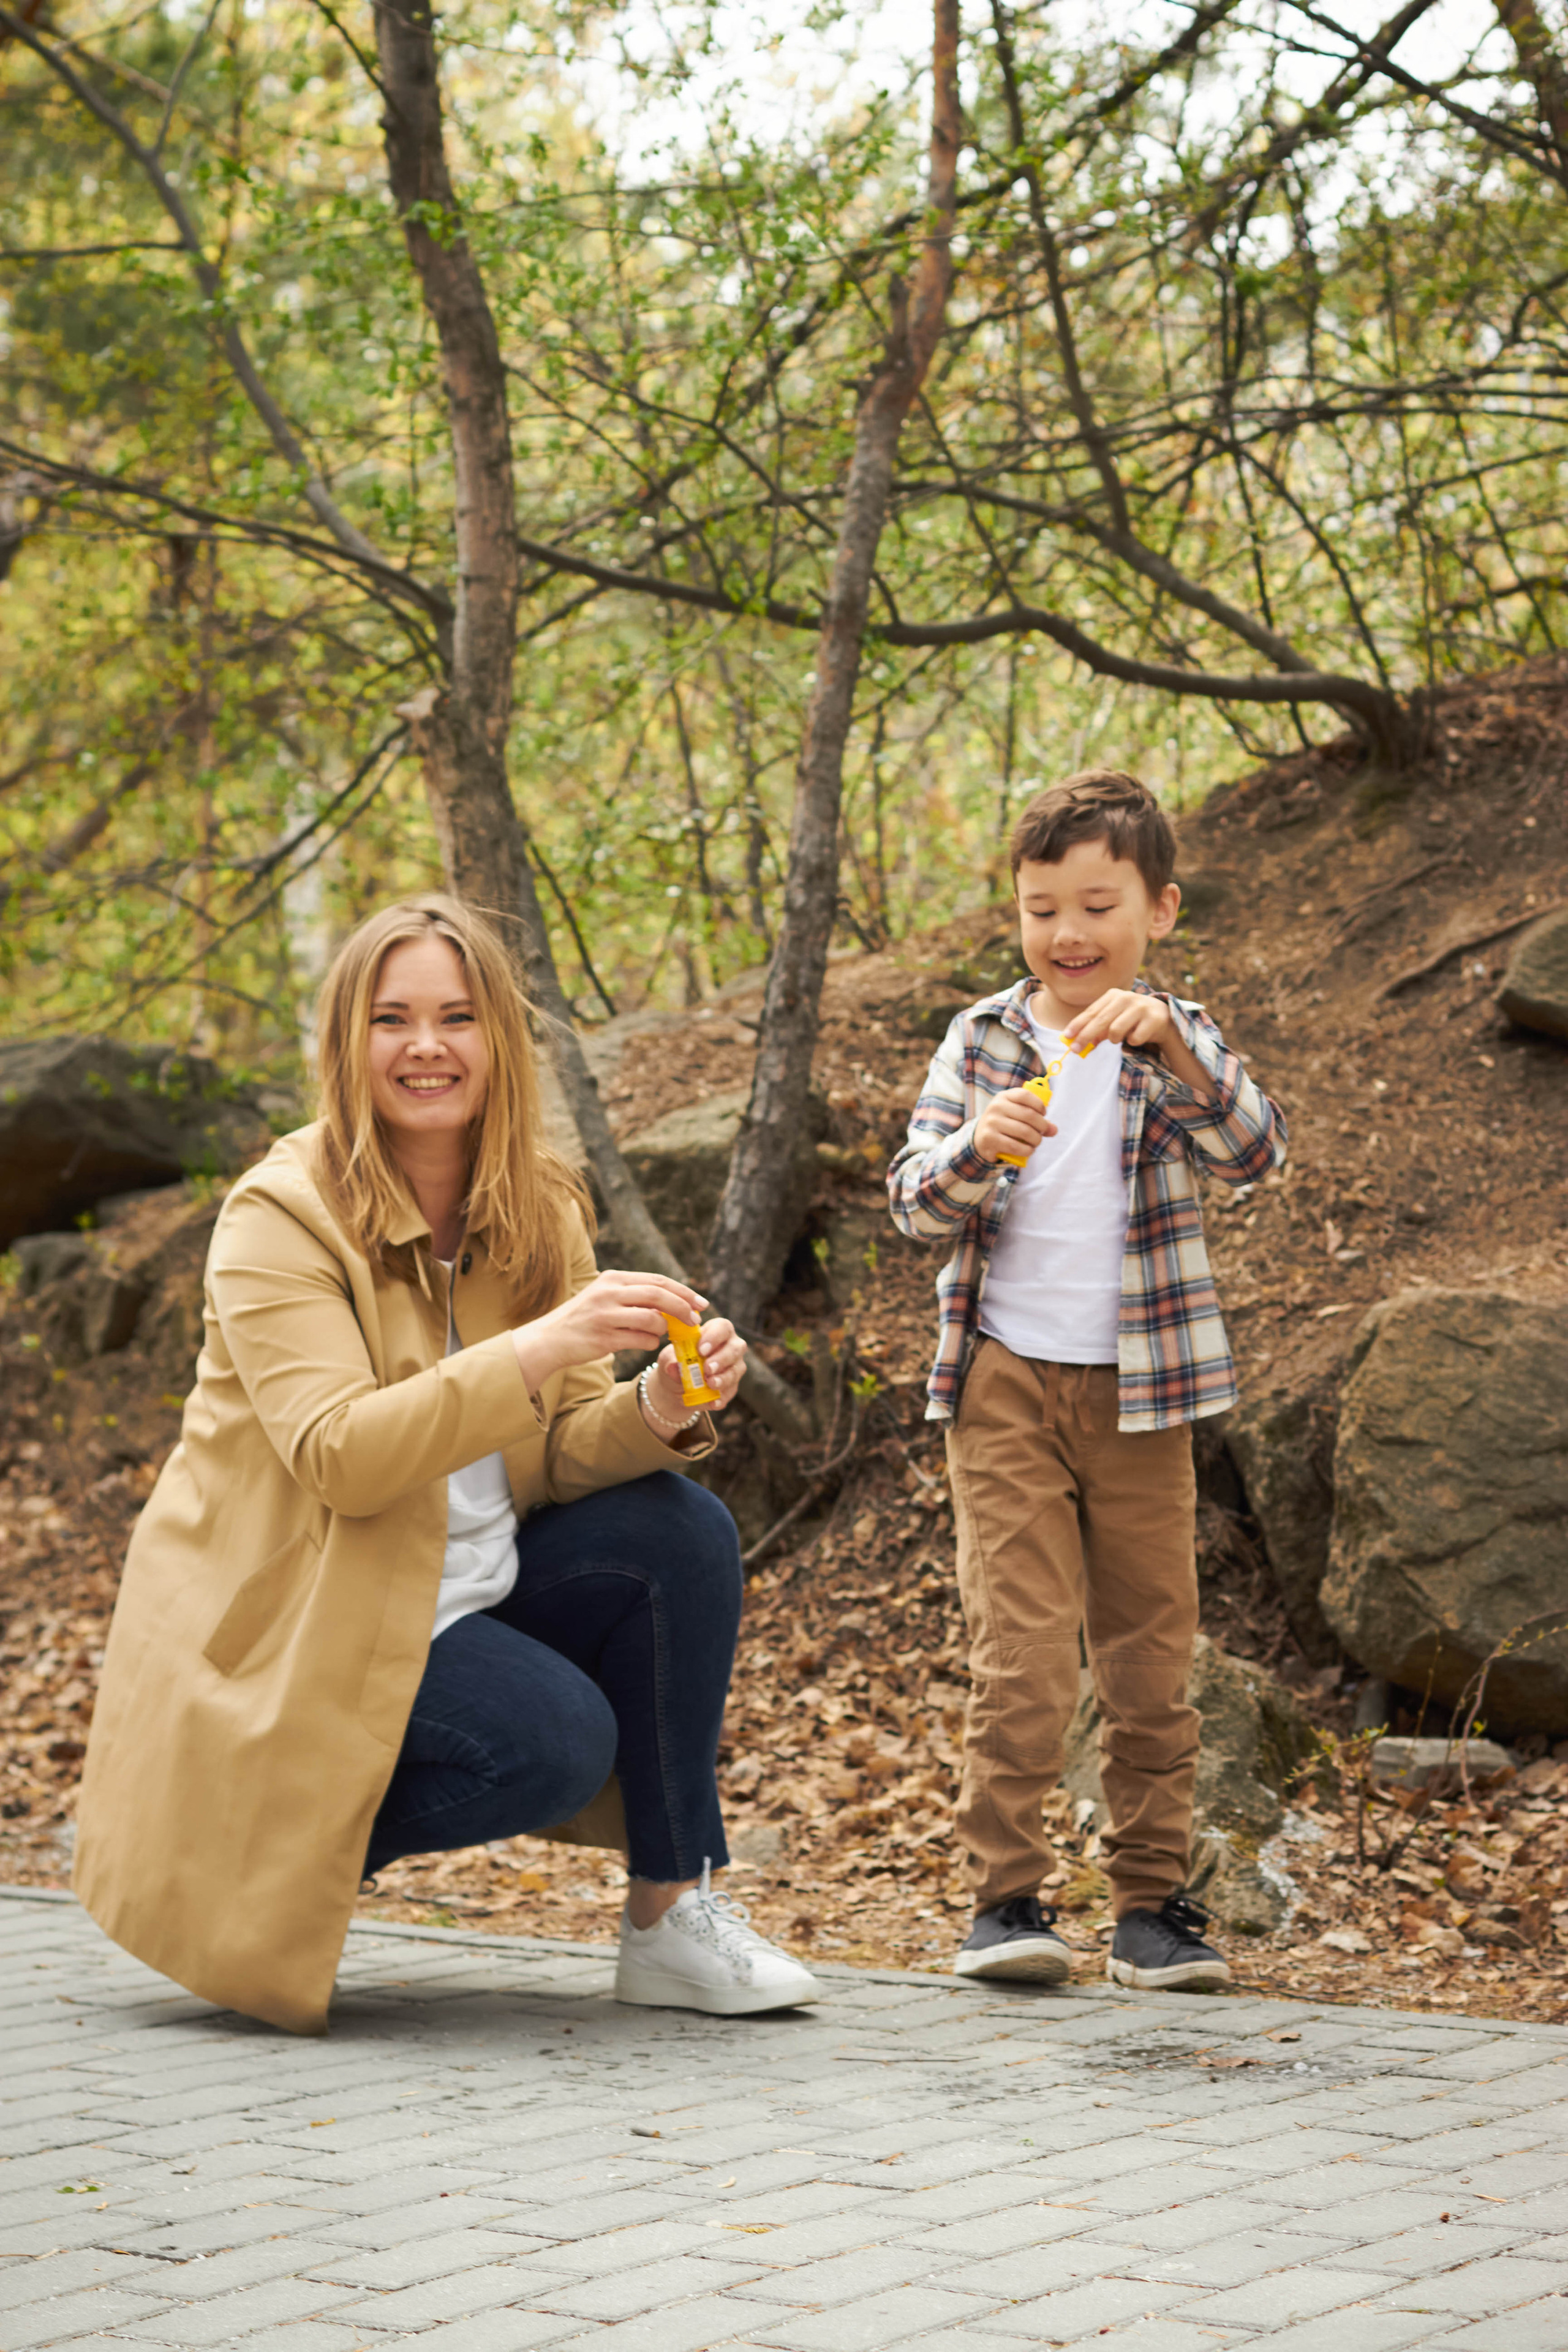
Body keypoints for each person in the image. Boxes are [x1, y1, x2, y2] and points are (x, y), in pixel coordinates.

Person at [74, 894, 818, 2033]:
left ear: (498, 1037)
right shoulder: (281, 1217)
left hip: (460, 1579)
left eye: (457, 1017)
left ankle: (672, 1918)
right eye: (394, 1019)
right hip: (312, 1617)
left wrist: (659, 1406)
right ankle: (250, 1860)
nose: (427, 1046)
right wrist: (541, 1346)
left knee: (681, 1529)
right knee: (557, 1741)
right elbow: (342, 1456)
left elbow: (561, 1452)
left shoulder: (535, 1203)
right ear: (349, 1040)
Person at [888, 771, 1286, 1991]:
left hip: (1140, 1392)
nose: (1067, 934)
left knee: (1150, 1660)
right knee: (1020, 1654)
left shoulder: (1175, 1041)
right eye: (1040, 909)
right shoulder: (982, 1039)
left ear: (1157, 910)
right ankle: (1005, 1901)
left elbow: (1255, 1153)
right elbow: (911, 1201)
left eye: (1097, 907)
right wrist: (974, 1147)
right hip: (1003, 1384)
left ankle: (1150, 1909)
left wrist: (1171, 1042)